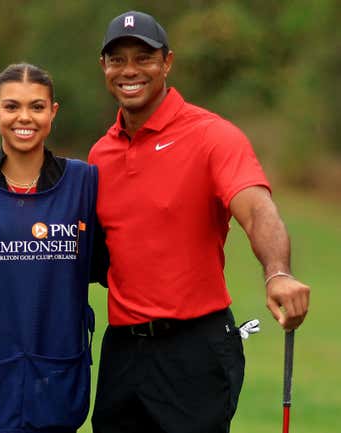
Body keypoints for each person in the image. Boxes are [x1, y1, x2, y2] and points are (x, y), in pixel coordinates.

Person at [88, 11, 311, 433]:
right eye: (117, 59)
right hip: (122, 351)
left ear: (167, 62)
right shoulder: (101, 153)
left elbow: (256, 206)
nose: (130, 70)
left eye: (144, 57)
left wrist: (277, 272)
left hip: (194, 349)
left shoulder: (213, 136)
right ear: (104, 67)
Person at [0, 63, 100, 433]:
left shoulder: (84, 183)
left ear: (53, 112)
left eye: (37, 106)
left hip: (57, 385)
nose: (24, 117)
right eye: (12, 106)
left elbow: (114, 265)